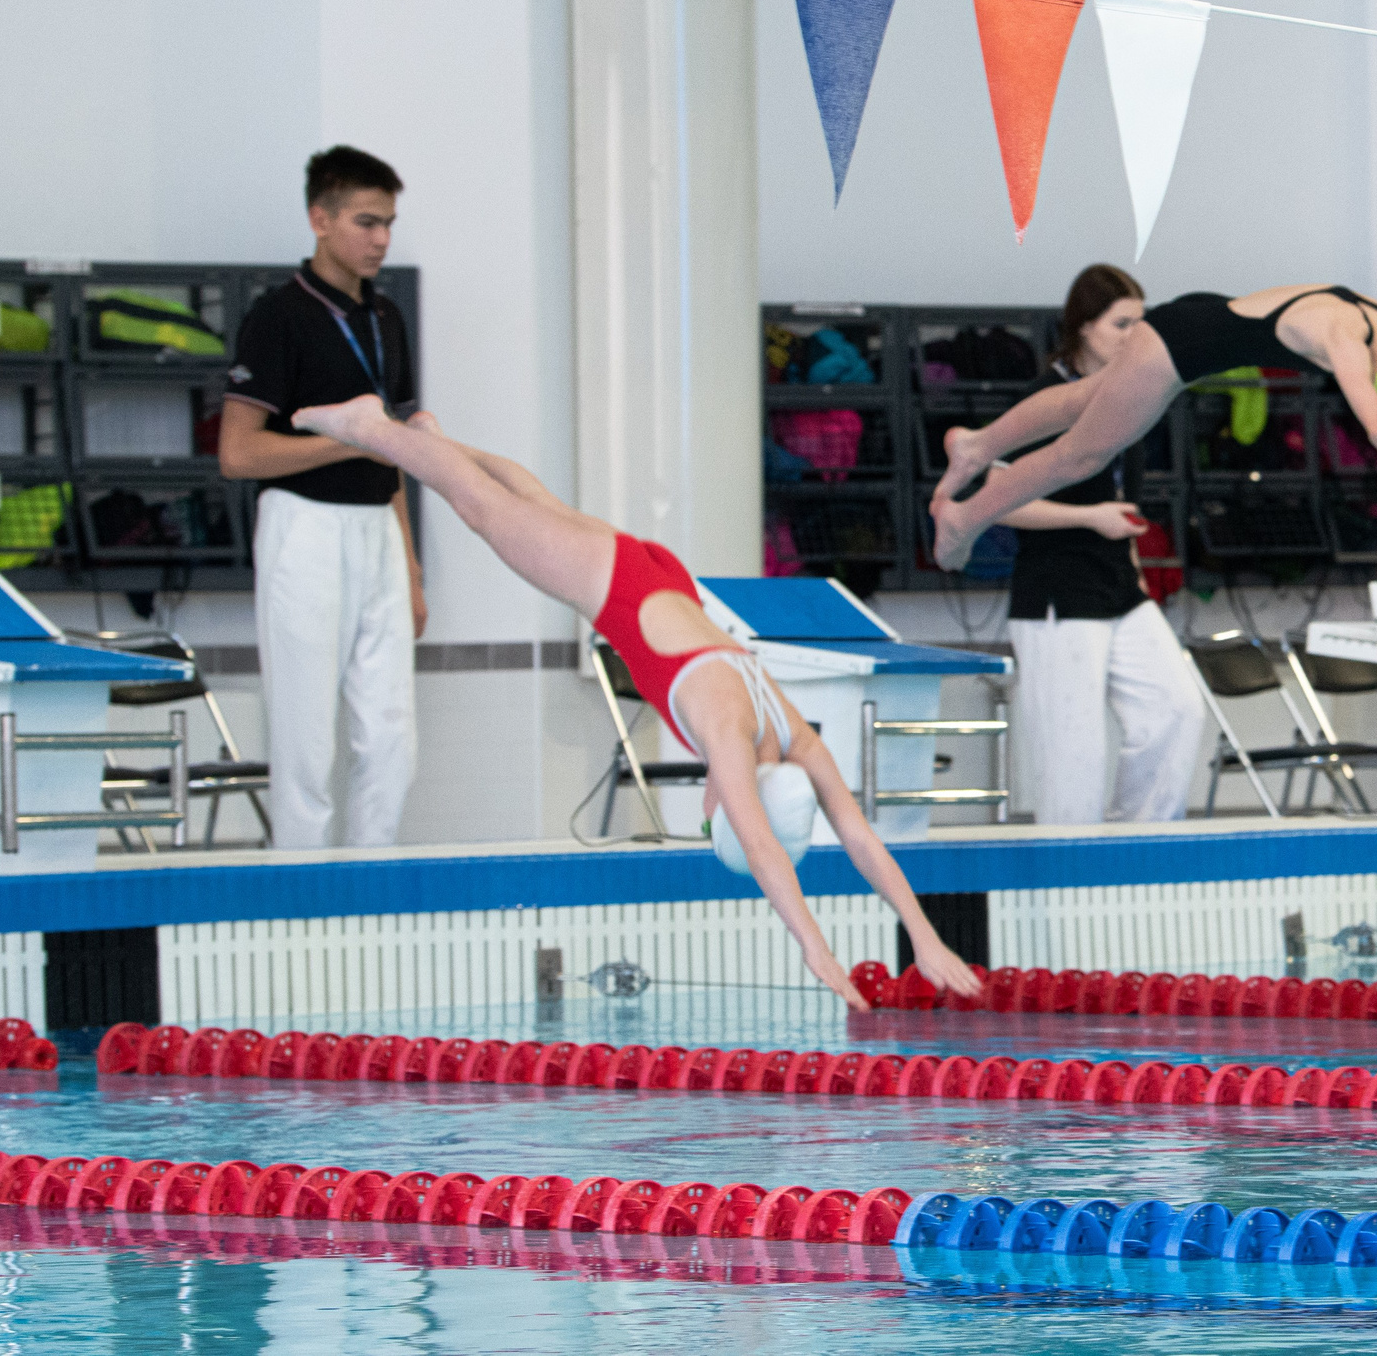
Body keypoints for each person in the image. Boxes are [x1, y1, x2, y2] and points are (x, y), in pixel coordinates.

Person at [286, 394, 982, 1012]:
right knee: (481, 508)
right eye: (717, 817)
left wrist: (923, 935)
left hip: (660, 575)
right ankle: (370, 427)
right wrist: (814, 948)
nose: (711, 808)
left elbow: (859, 835)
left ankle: (432, 440)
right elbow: (764, 848)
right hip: (614, 585)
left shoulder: (794, 733)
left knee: (533, 504)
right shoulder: (730, 735)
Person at [928, 284, 1377, 572]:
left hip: (1196, 321)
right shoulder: (1345, 337)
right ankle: (966, 516)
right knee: (1081, 454)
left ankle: (978, 444)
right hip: (1179, 348)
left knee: (1083, 400)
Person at [220, 146, 427, 849]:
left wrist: (410, 565)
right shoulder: (278, 316)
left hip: (379, 532)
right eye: (366, 222)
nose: (381, 239)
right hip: (302, 527)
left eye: (389, 223)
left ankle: (374, 884)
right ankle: (301, 892)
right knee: (306, 740)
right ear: (320, 219)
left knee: (392, 737)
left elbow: (393, 453)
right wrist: (350, 440)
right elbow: (238, 454)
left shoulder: (386, 318)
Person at [995, 266, 1203, 825]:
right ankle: (1071, 867)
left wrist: (1135, 570)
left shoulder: (1130, 397)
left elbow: (1122, 504)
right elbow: (998, 501)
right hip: (1057, 596)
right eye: (1121, 324)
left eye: (1140, 325)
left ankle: (1140, 844)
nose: (1133, 337)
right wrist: (1088, 517)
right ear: (1084, 327)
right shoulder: (1045, 402)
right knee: (1073, 756)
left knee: (1177, 708)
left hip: (1119, 589)